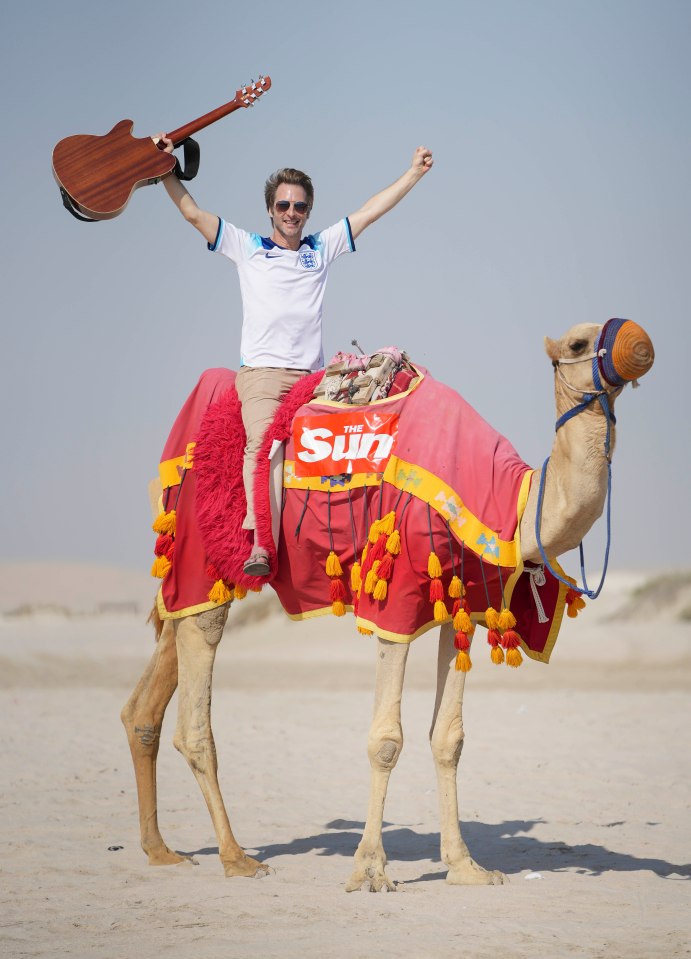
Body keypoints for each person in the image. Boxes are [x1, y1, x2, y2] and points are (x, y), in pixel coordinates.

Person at [156, 134, 433, 575]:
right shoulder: (247, 248)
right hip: (263, 376)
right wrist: (164, 169)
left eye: (299, 207)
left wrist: (413, 174)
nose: (291, 213)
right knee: (262, 449)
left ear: (308, 211)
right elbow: (192, 213)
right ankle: (261, 544)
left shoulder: (320, 249)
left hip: (313, 379)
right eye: (283, 206)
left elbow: (370, 211)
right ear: (270, 209)